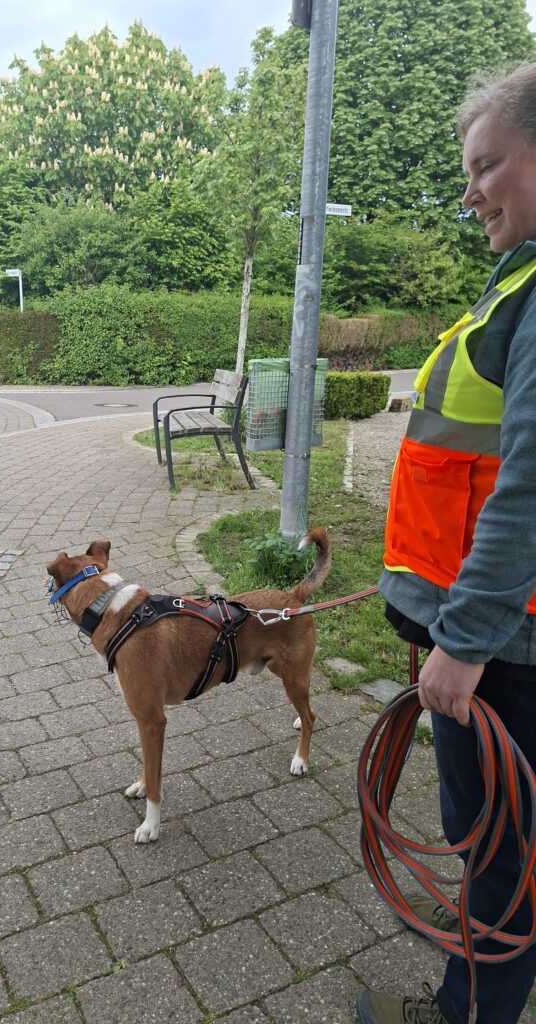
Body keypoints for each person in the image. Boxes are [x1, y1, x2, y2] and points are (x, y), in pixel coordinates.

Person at [356, 63, 536, 1024]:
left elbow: (529, 488)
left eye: (486, 165)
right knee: (506, 847)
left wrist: (462, 641)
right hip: (493, 630)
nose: (470, 194)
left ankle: (470, 1010)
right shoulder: (518, 284)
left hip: (502, 649)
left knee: (497, 849)